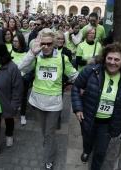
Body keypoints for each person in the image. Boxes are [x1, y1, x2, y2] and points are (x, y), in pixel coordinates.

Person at [71, 42, 121, 170]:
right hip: (88, 117)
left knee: (101, 151)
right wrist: (78, 108)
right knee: (88, 140)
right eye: (109, 58)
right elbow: (76, 87)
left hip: (108, 124)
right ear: (104, 58)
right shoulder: (91, 71)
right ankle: (86, 150)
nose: (112, 62)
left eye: (117, 59)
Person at [19, 28, 78, 170]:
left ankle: (48, 159)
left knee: (50, 133)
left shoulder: (62, 59)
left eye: (49, 43)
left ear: (55, 43)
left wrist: (86, 83)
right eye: (43, 43)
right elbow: (21, 68)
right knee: (45, 130)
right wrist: (32, 52)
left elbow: (75, 76)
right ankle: (47, 142)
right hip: (37, 101)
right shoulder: (36, 57)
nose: (46, 46)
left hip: (54, 104)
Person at [11, 33, 28, 125]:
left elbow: (31, 67)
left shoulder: (27, 52)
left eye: (16, 41)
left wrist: (25, 78)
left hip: (23, 79)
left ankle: (23, 115)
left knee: (23, 98)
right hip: (12, 80)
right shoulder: (11, 51)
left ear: (21, 42)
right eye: (13, 41)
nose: (15, 43)